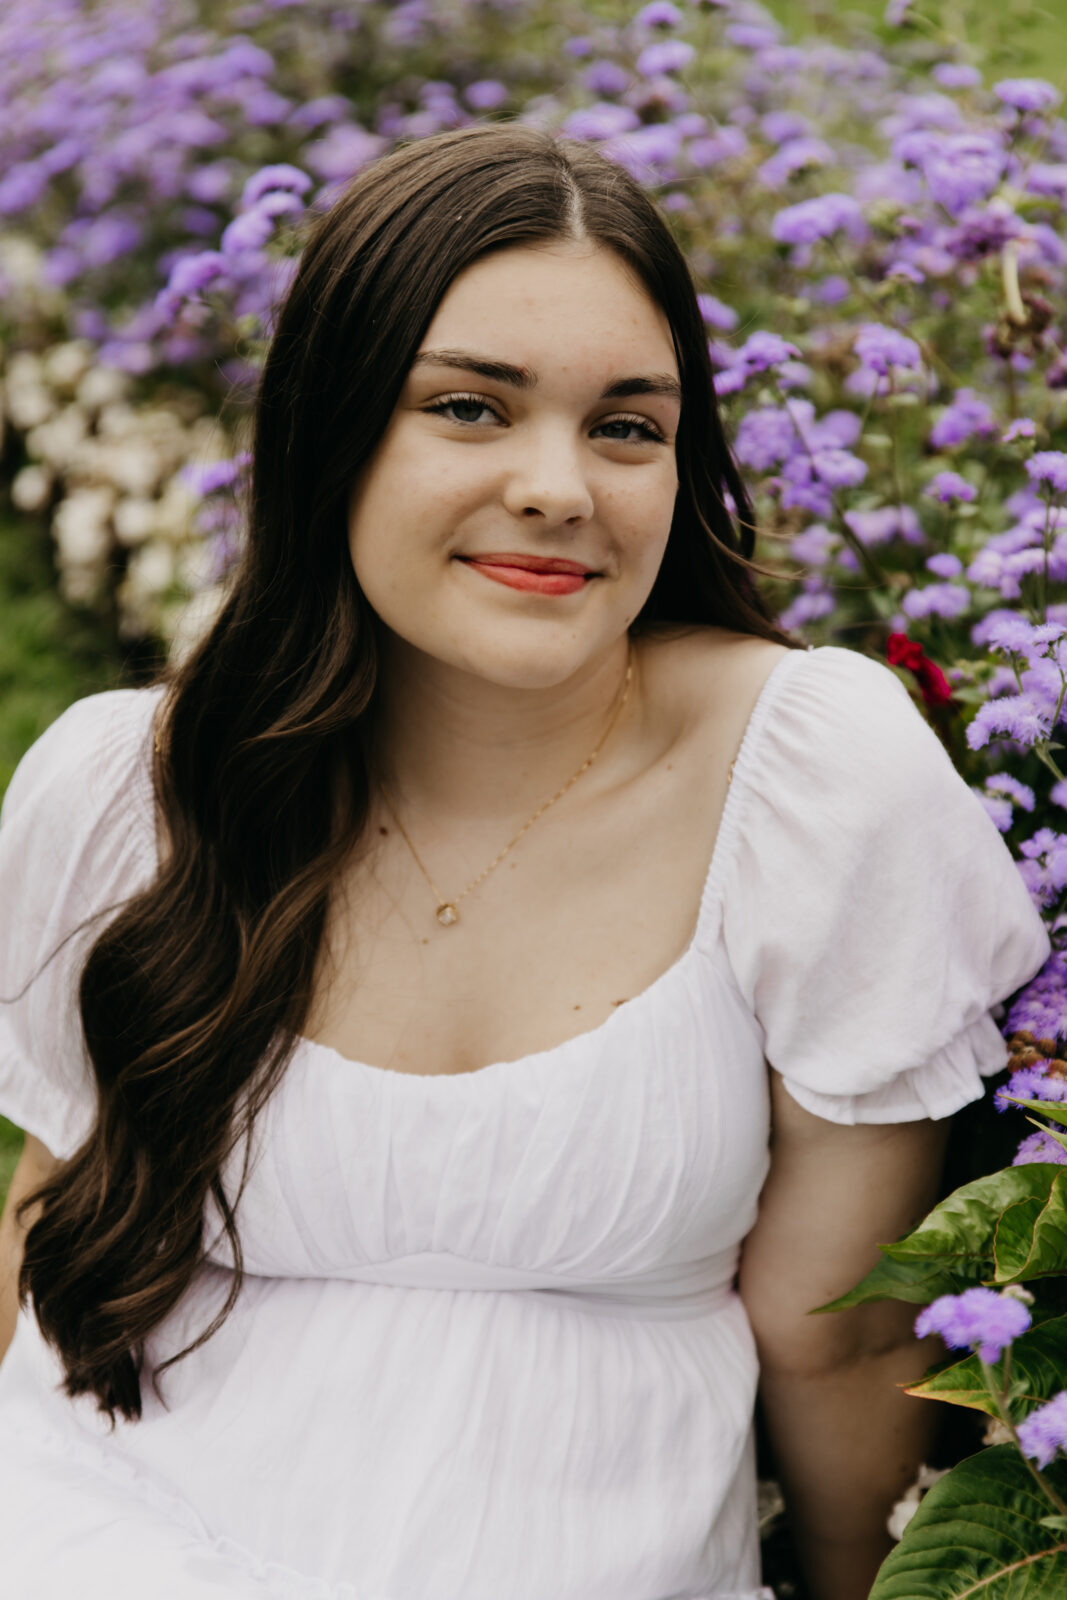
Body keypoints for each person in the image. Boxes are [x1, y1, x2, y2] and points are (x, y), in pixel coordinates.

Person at [0, 120, 1050, 1600]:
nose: (561, 485)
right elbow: (54, 1213)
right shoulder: (136, 792)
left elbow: (841, 1333)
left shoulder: (808, 784)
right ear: (330, 430)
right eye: (472, 409)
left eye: (627, 426)